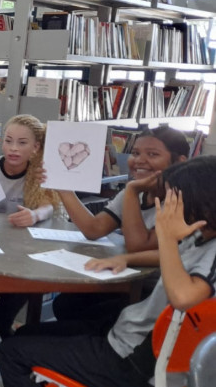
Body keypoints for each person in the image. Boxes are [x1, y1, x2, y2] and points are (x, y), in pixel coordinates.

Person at [0, 156, 216, 387]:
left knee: (11, 351)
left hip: (136, 367)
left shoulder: (212, 251)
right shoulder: (202, 235)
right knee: (27, 334)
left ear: (201, 203)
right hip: (135, 344)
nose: (166, 206)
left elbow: (184, 297)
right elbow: (174, 258)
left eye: (174, 200)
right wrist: (126, 258)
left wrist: (165, 235)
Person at [50, 125, 190, 326]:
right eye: (136, 153)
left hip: (157, 294)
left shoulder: (182, 201)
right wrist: (64, 189)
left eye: (152, 154)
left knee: (86, 313)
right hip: (125, 280)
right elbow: (94, 229)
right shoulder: (135, 191)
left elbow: (138, 246)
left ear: (179, 162)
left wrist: (132, 191)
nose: (139, 160)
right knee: (65, 304)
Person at [0, 114, 60, 340]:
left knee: (29, 277)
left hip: (20, 250)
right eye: (8, 141)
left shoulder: (39, 173)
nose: (13, 148)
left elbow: (50, 206)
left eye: (22, 142)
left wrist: (34, 215)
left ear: (35, 147)